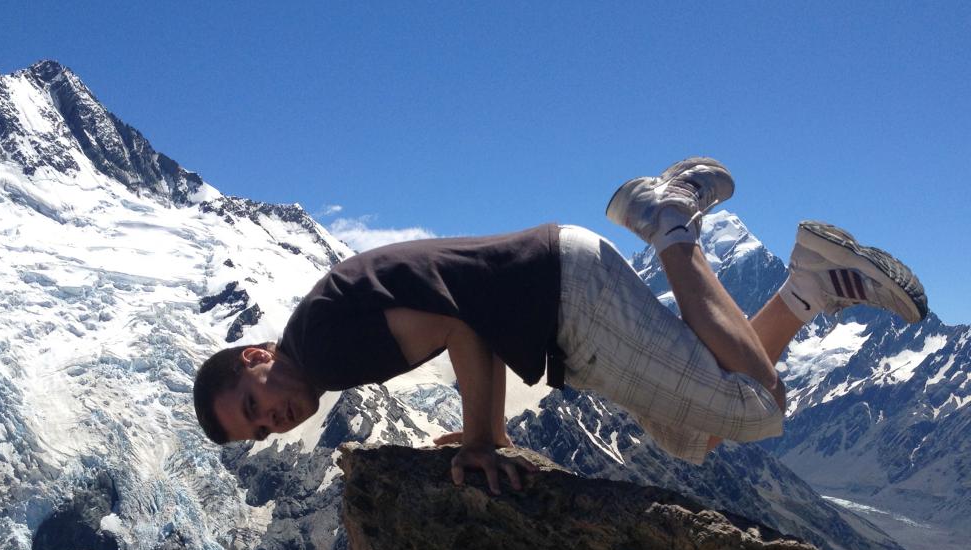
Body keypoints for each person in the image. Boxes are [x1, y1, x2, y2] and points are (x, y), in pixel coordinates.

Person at [193, 157, 927, 494]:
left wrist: (483, 437)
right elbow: (454, 321)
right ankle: (810, 287)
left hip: (562, 294)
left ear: (257, 356)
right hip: (557, 292)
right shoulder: (319, 350)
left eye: (254, 404)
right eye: (259, 430)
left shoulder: (318, 346)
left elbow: (460, 328)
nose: (274, 421)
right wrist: (488, 431)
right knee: (690, 431)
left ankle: (671, 221)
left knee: (756, 411)